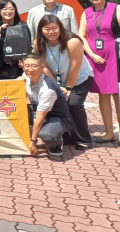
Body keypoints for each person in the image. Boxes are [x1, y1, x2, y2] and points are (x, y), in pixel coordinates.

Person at [79, 0, 120, 148]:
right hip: (96, 59)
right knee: (103, 95)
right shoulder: (86, 12)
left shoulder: (116, 8)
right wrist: (91, 55)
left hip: (116, 57)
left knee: (119, 95)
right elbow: (81, 36)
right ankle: (109, 133)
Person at [35, 14, 94, 150]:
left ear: (61, 28)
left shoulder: (72, 41)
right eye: (46, 29)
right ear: (41, 30)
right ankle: (66, 136)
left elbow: (75, 67)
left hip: (80, 77)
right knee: (59, 104)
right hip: (56, 78)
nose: (51, 32)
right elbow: (45, 67)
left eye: (54, 28)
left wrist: (68, 87)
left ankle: (83, 139)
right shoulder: (38, 42)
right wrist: (58, 86)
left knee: (73, 103)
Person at [22, 52, 73, 157]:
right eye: (27, 66)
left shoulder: (48, 89)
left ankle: (57, 142)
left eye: (34, 66)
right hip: (38, 110)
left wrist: (33, 142)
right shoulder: (25, 76)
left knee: (47, 135)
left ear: (42, 67)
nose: (30, 69)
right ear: (23, 67)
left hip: (57, 117)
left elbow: (40, 116)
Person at [0, 0, 30, 79]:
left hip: (21, 67)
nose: (8, 11)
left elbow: (29, 45)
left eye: (11, 9)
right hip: (1, 69)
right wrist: (0, 34)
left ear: (15, 10)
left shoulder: (24, 26)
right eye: (5, 9)